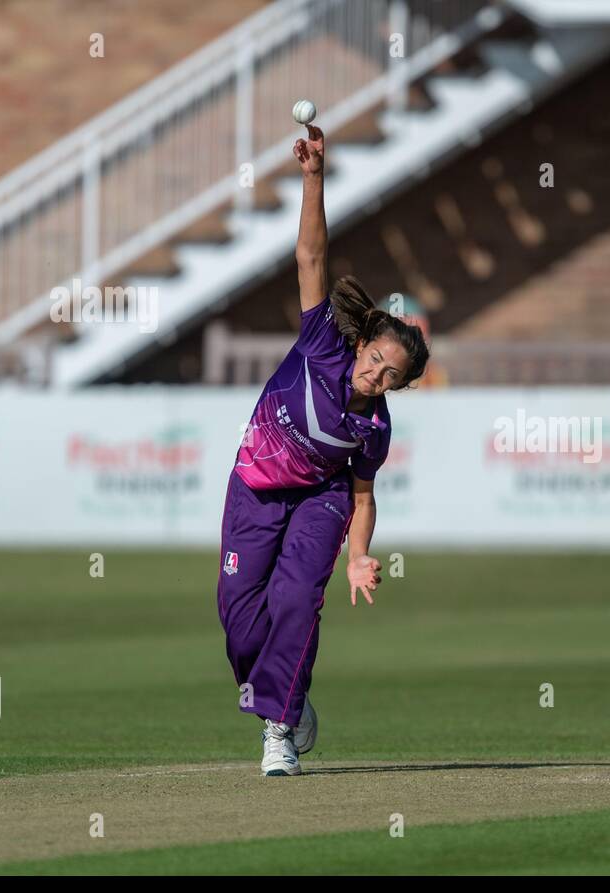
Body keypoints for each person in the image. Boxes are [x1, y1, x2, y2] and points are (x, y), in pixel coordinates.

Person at [217, 123, 429, 777]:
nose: (377, 376)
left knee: (296, 600)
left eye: (392, 374)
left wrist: (360, 554)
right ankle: (289, 697)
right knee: (240, 620)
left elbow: (364, 495)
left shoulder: (375, 429)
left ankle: (278, 730)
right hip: (254, 487)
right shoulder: (323, 342)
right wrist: (313, 177)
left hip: (322, 497)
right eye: (376, 360)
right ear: (363, 343)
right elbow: (311, 256)